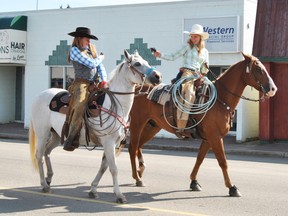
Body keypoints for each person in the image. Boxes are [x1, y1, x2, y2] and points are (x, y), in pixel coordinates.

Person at [152, 24, 209, 135]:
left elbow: (204, 67)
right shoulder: (187, 46)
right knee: (189, 94)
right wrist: (160, 55)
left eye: (195, 36)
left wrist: (203, 72)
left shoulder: (205, 52)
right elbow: (173, 56)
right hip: (186, 73)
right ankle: (181, 126)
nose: (193, 38)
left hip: (198, 76)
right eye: (192, 36)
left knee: (208, 92)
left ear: (200, 37)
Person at [63, 27, 107, 151]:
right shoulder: (74, 51)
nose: (89, 42)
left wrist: (104, 80)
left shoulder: (92, 50)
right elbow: (92, 64)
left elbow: (100, 67)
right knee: (80, 105)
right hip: (81, 84)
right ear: (79, 39)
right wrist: (101, 57)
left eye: (89, 40)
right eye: (87, 39)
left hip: (95, 83)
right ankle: (71, 138)